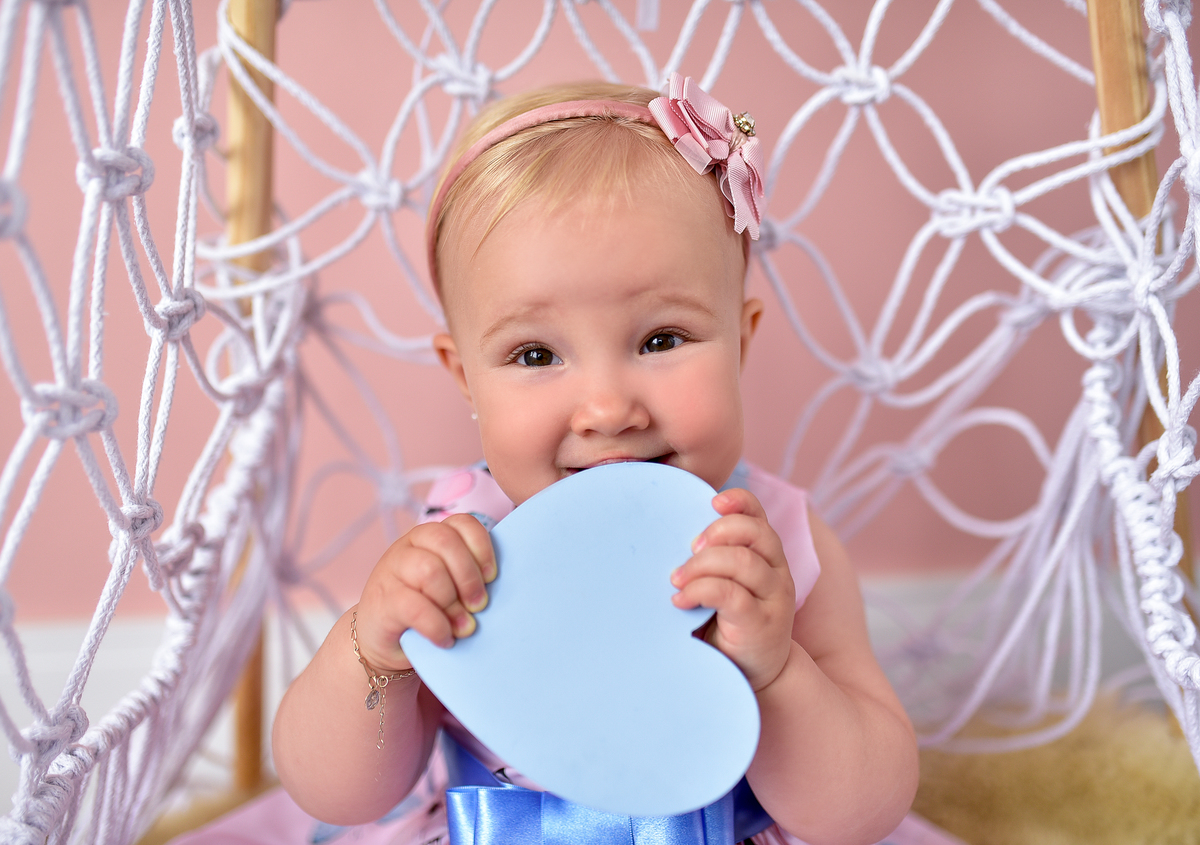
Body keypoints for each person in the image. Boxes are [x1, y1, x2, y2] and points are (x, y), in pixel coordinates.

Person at [272, 76, 919, 845]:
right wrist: (372, 651)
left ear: (742, 340)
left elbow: (865, 808)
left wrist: (776, 671)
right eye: (536, 353)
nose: (609, 409)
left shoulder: (777, 544)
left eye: (661, 339)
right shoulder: (462, 545)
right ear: (465, 377)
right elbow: (334, 791)